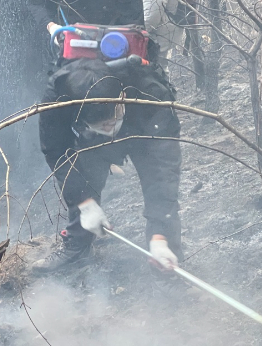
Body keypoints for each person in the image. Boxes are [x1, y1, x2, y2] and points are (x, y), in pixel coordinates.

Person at [32, 58, 183, 272]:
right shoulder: (57, 99)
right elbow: (57, 152)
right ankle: (77, 246)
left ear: (121, 96)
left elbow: (164, 169)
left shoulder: (151, 92)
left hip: (143, 127)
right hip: (91, 139)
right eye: (104, 125)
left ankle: (167, 256)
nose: (111, 128)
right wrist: (84, 202)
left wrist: (160, 235)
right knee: (84, 172)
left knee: (159, 186)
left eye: (113, 121)